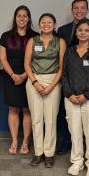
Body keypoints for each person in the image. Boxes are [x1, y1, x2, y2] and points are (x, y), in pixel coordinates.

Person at [62, 18, 89, 176]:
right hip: (71, 98)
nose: (83, 33)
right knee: (75, 131)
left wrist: (86, 95)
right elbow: (64, 75)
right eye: (80, 30)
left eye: (86, 30)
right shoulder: (70, 51)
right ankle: (77, 161)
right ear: (76, 32)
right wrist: (69, 94)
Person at [56, 0, 89, 155]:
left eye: (82, 8)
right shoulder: (63, 30)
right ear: (72, 10)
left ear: (87, 10)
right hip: (68, 80)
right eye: (76, 8)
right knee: (66, 116)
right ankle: (66, 143)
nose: (79, 11)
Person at [24, 13, 66, 168]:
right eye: (43, 22)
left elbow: (62, 67)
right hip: (34, 81)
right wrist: (35, 82)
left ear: (55, 24)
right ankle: (38, 153)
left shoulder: (60, 42)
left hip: (53, 82)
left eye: (49, 22)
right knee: (36, 119)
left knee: (50, 120)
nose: (46, 24)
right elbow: (27, 64)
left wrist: (51, 86)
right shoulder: (32, 41)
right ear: (39, 24)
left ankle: (49, 154)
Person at [0, 5, 38, 155]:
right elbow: (2, 58)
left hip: (29, 78)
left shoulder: (35, 36)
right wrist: (14, 75)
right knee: (13, 109)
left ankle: (26, 141)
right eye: (19, 15)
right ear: (15, 18)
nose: (22, 18)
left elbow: (37, 60)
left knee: (28, 110)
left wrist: (25, 75)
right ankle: (15, 140)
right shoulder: (6, 36)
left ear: (28, 18)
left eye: (25, 16)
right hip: (10, 78)